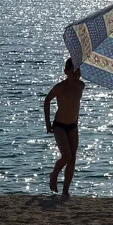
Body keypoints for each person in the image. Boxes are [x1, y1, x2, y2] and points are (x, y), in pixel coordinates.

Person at [43, 58, 85, 197]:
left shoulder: (81, 86)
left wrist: (76, 120)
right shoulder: (60, 87)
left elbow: (75, 105)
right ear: (65, 72)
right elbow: (47, 100)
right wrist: (48, 123)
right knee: (66, 155)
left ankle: (65, 191)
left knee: (72, 158)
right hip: (59, 125)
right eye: (73, 73)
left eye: (78, 72)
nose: (76, 75)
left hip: (73, 126)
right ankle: (54, 175)